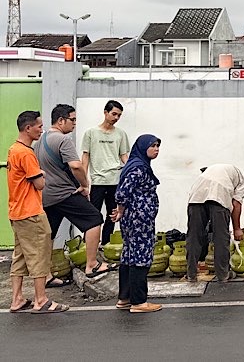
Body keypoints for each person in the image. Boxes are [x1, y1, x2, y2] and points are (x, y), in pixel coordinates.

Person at [35, 104, 113, 279]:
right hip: (64, 193)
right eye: (73, 120)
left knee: (49, 234)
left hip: (46, 195)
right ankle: (92, 264)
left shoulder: (39, 142)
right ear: (61, 121)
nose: (75, 123)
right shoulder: (63, 140)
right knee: (94, 219)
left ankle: (45, 275)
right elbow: (76, 165)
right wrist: (85, 185)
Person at [7, 110, 69, 313]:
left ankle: (16, 298)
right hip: (31, 212)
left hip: (16, 211)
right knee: (40, 255)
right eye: (39, 126)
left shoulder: (13, 149)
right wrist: (42, 173)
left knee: (21, 256)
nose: (42, 130)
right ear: (28, 128)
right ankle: (41, 299)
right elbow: (40, 184)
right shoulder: (26, 153)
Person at [110, 134, 162, 313]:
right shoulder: (139, 168)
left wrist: (122, 210)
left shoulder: (136, 165)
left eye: (157, 146)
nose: (156, 149)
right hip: (140, 219)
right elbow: (122, 192)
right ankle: (139, 301)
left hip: (135, 217)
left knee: (129, 255)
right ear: (142, 147)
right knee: (141, 256)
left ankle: (125, 298)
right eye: (153, 145)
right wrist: (121, 209)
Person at [185, 164, 244, 283]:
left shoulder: (209, 172)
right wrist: (237, 229)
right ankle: (223, 274)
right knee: (221, 237)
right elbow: (236, 204)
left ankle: (191, 274)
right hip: (219, 195)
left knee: (194, 235)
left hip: (196, 194)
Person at [82, 100, 129, 246]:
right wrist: (83, 181)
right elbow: (85, 157)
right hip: (97, 181)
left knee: (113, 213)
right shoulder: (91, 133)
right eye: (114, 114)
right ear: (105, 112)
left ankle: (106, 243)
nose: (116, 117)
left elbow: (124, 156)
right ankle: (89, 245)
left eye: (119, 115)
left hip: (115, 180)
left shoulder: (121, 134)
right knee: (93, 214)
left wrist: (132, 171)